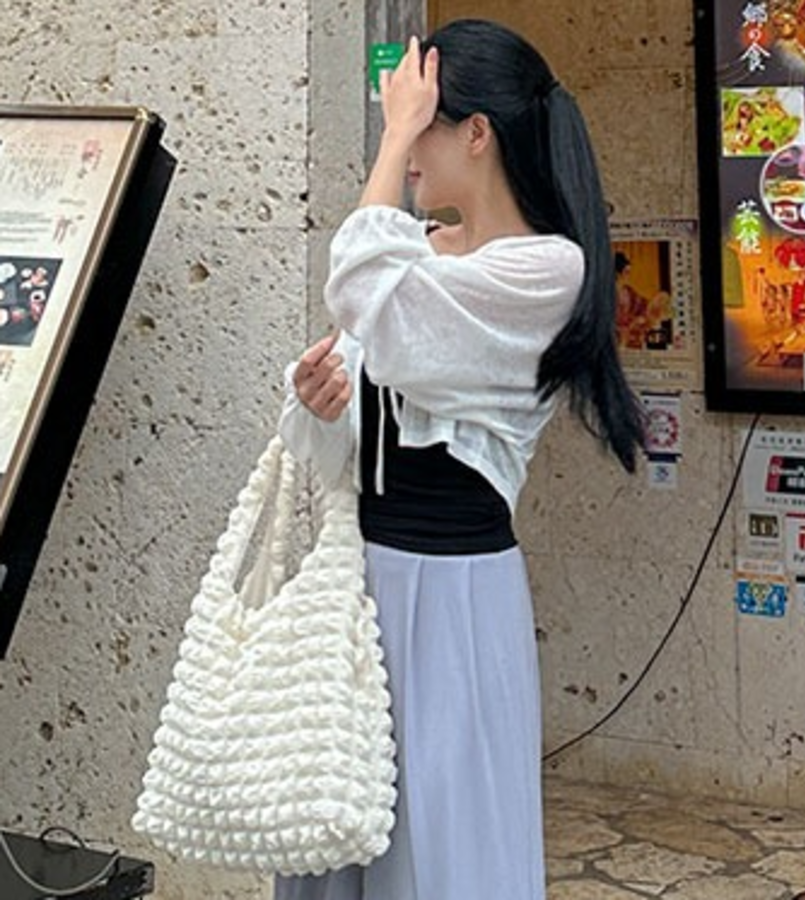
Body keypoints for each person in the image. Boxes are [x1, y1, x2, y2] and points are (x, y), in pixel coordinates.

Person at [275, 18, 644, 900]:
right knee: (332, 838)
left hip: (453, 597)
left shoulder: (545, 272)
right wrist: (318, 403)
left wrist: (391, 137)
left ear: (476, 132)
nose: (404, 149)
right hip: (356, 594)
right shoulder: (419, 256)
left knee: (444, 849)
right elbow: (340, 427)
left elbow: (363, 289)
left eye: (418, 124)